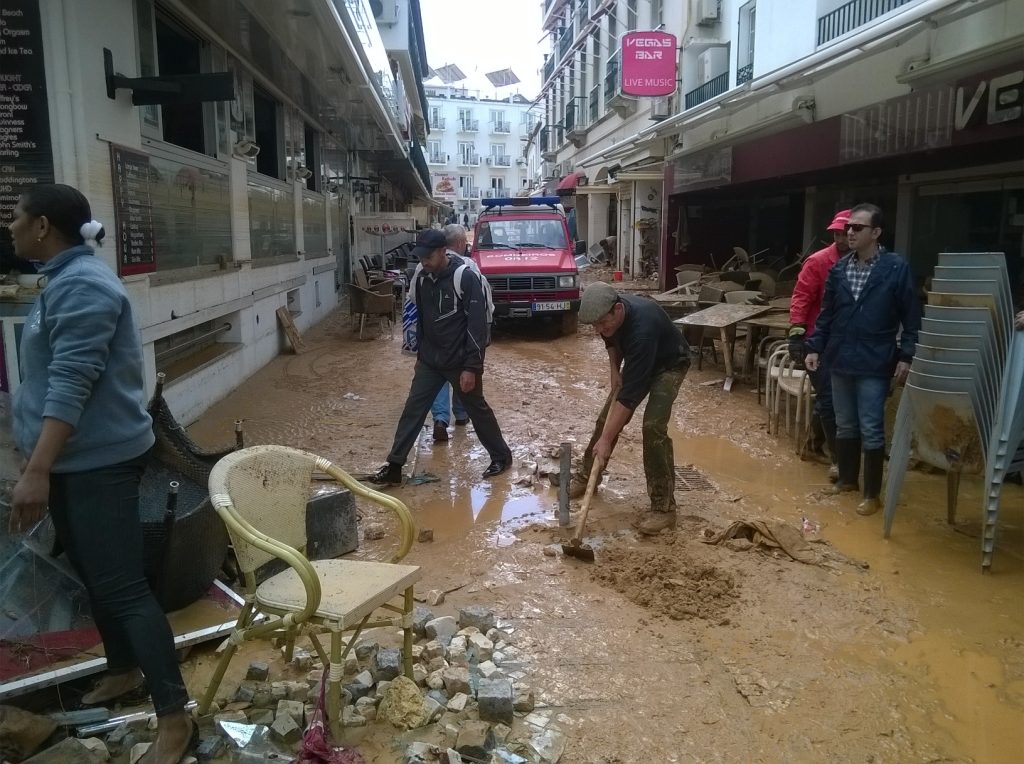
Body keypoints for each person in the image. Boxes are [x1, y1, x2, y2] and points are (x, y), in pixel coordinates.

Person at [7, 184, 194, 764]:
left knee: (122, 586)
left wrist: (35, 470)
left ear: (42, 227)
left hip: (99, 462)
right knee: (93, 569)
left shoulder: (83, 286)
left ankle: (174, 715)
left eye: (16, 218)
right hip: (74, 459)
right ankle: (122, 668)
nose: (9, 227)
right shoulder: (62, 281)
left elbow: (72, 383)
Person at [370, 228, 512, 484]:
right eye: (420, 257)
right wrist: (419, 357)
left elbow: (477, 327)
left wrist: (472, 368)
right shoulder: (422, 278)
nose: (423, 261)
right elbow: (421, 322)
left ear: (441, 252)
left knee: (477, 410)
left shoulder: (465, 278)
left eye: (428, 256)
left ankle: (501, 456)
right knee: (413, 409)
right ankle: (394, 465)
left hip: (460, 362)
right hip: (430, 361)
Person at [805, 203, 920, 516]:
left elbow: (911, 317)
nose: (849, 232)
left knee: (870, 425)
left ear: (876, 232)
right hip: (840, 357)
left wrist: (906, 355)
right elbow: (827, 315)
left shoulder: (895, 268)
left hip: (876, 358)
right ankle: (846, 481)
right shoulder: (840, 270)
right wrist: (814, 347)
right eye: (848, 228)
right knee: (845, 424)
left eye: (857, 228)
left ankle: (871, 495)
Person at [574, 282, 690, 535]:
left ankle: (663, 507)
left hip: (669, 364)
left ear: (617, 310)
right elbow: (611, 341)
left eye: (602, 324)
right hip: (640, 361)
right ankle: (587, 476)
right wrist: (614, 369)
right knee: (605, 418)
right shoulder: (609, 313)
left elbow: (628, 399)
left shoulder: (642, 331)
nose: (599, 330)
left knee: (653, 427)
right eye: (594, 326)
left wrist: (606, 440)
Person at [788, 209, 851, 480]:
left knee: (832, 399)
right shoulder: (818, 262)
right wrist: (796, 336)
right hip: (817, 341)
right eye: (835, 233)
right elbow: (801, 297)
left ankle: (812, 445)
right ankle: (838, 460)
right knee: (829, 398)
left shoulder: (870, 265)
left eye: (843, 233)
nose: (839, 238)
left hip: (848, 343)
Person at [430, 224, 473, 442]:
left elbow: (411, 302)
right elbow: (483, 305)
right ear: (459, 243)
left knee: (438, 376)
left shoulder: (425, 267)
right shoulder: (470, 266)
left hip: (434, 336)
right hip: (462, 335)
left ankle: (440, 419)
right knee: (462, 372)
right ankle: (462, 414)